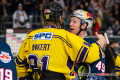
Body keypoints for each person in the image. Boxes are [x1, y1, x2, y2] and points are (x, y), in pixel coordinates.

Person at [16, 2, 106, 80]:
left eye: (74, 21)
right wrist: (100, 43)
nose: (70, 23)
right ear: (59, 18)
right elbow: (89, 54)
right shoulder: (64, 36)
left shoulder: (30, 36)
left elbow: (19, 64)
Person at [67, 10, 105, 80]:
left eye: (74, 22)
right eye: (70, 21)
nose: (70, 24)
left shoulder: (92, 45)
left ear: (84, 25)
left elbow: (97, 76)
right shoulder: (67, 41)